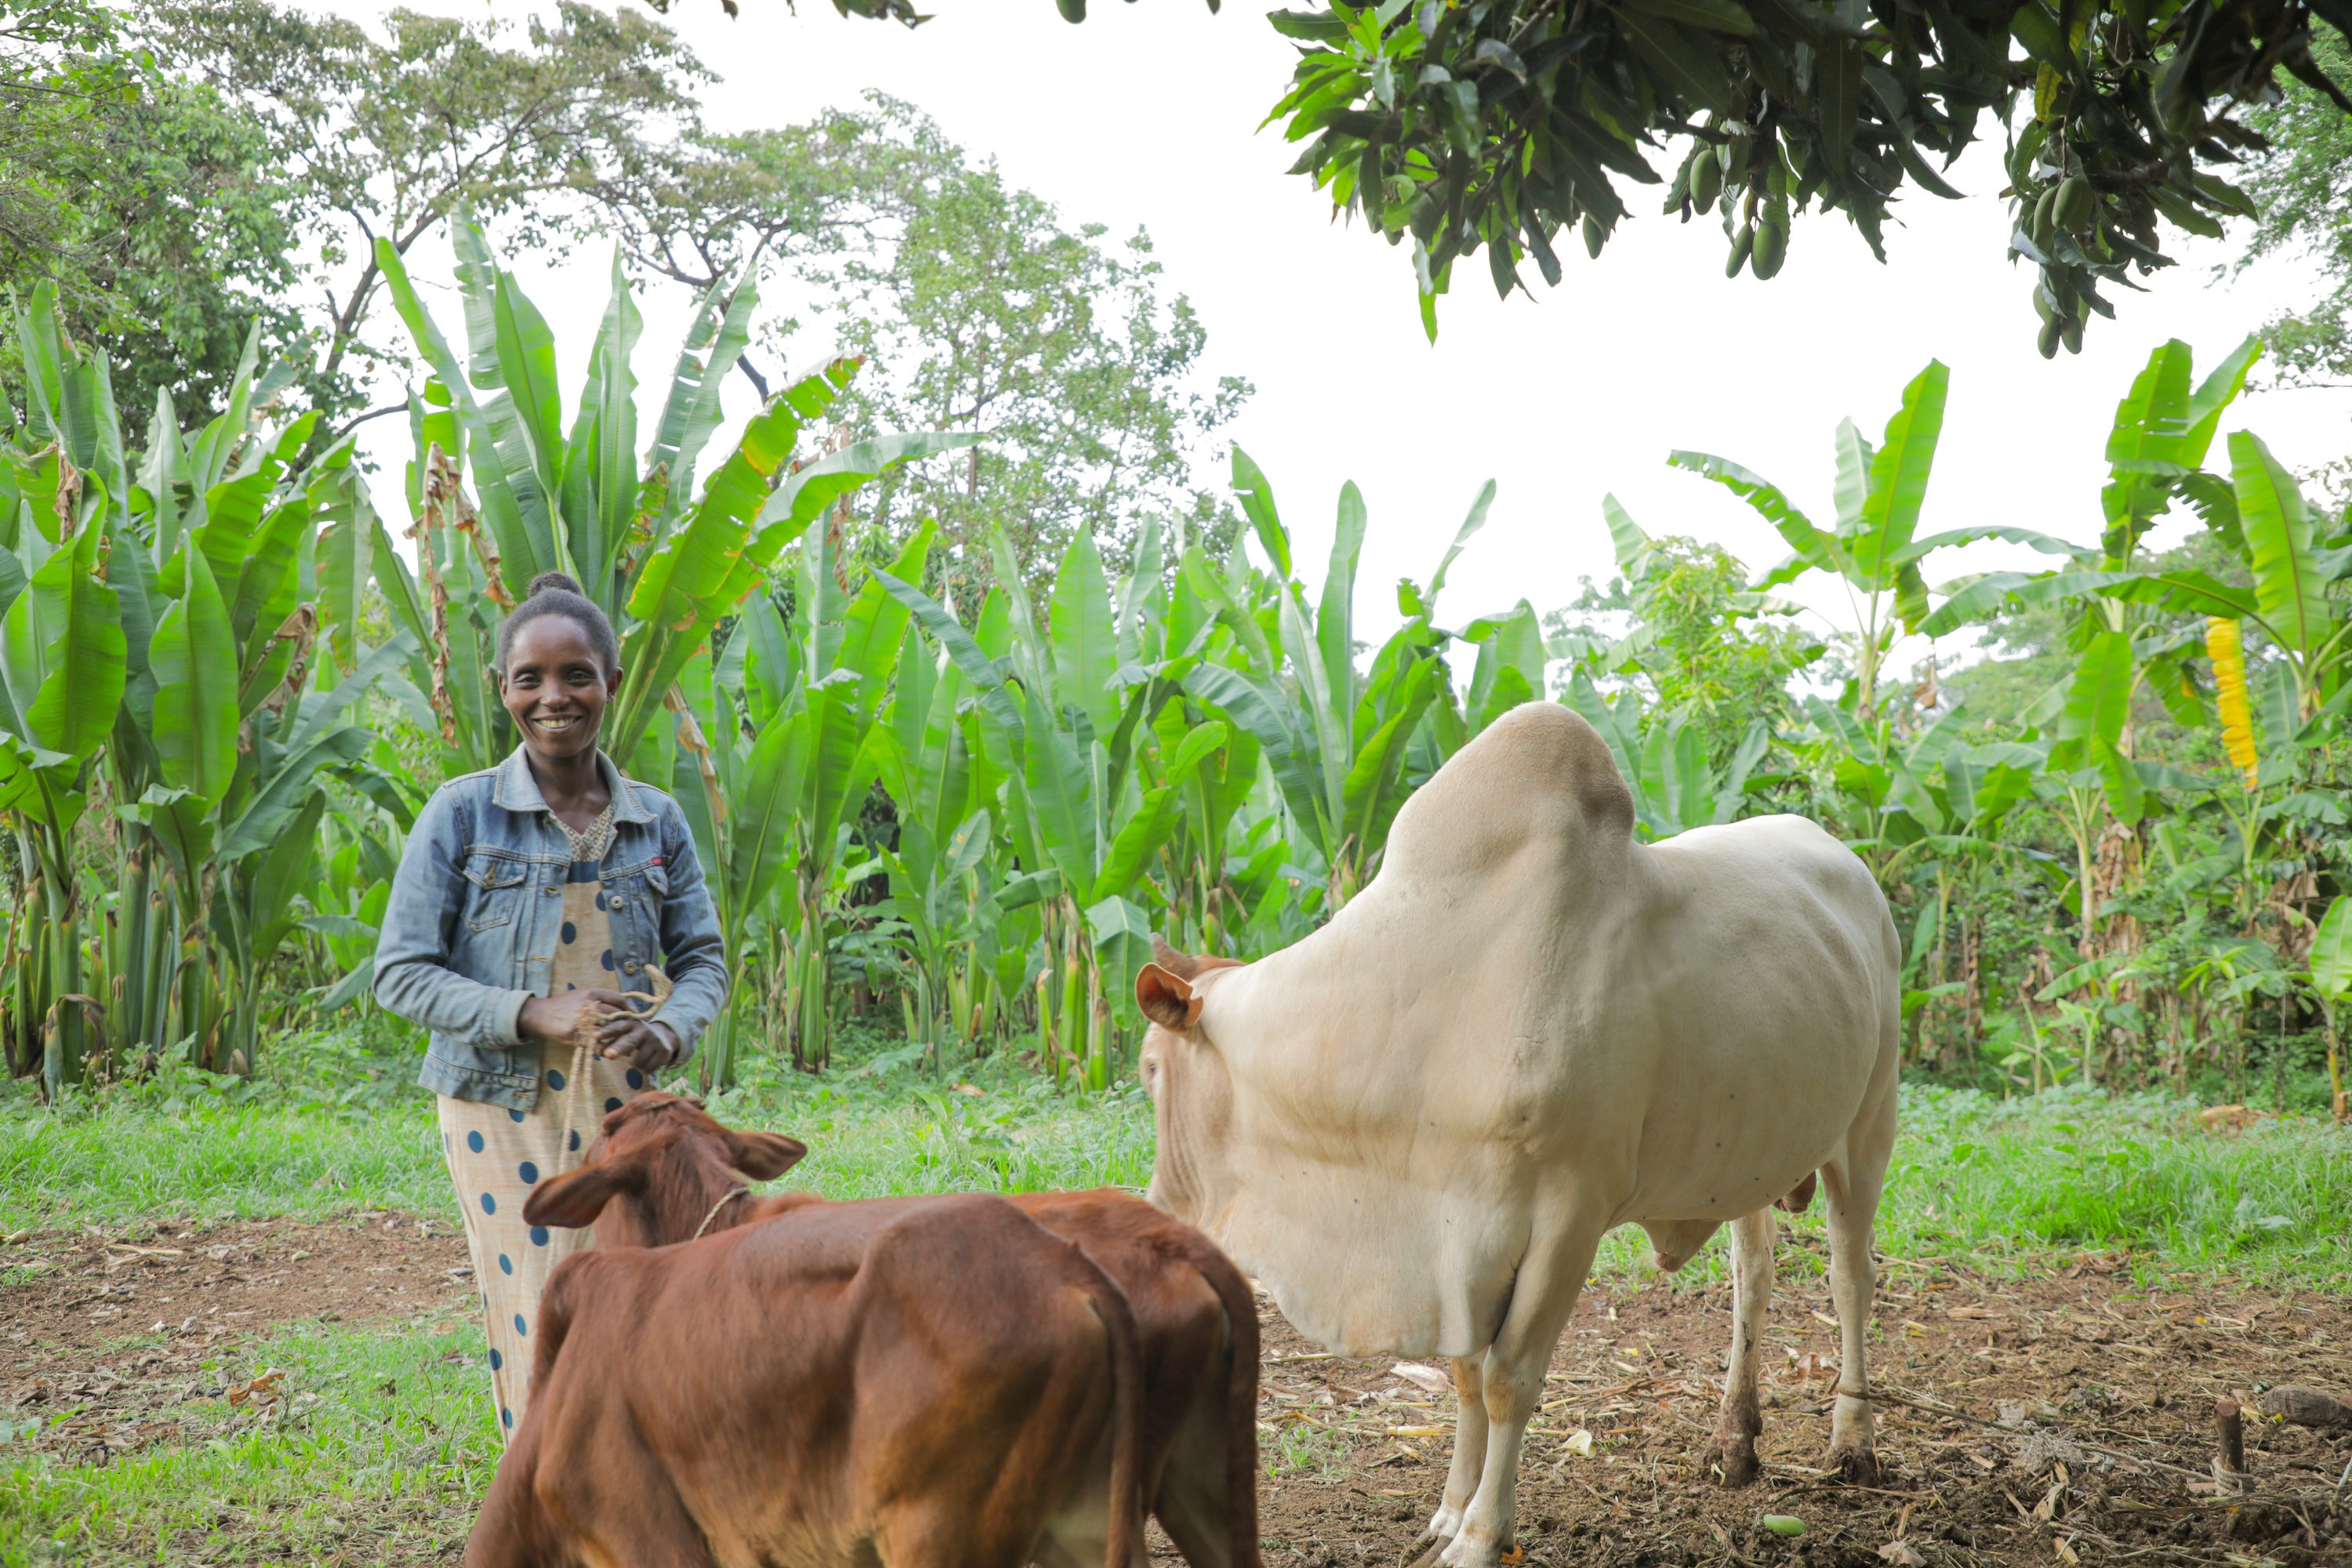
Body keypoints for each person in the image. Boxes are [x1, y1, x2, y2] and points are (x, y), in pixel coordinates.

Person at [374, 571, 728, 1442]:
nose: (553, 697)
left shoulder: (657, 820)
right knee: (541, 1306)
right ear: (504, 689)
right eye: (529, 679)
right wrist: (537, 1012)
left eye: (576, 675)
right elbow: (401, 973)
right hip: (502, 1107)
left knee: (647, 1295)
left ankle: (645, 1480)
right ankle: (545, 1487)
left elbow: (704, 962)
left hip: (634, 1106)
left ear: (611, 682)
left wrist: (669, 1026)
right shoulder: (462, 814)